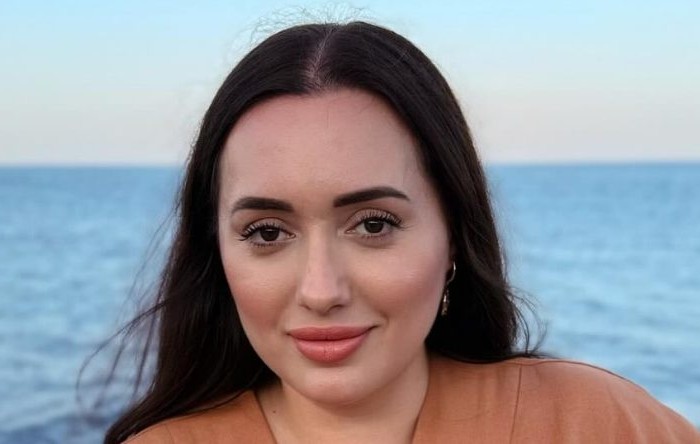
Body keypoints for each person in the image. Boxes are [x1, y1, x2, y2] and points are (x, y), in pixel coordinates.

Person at [106, 21, 699, 443]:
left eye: (373, 224)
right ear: (216, 253)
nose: (321, 290)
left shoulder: (595, 424)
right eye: (266, 234)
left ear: (453, 236)